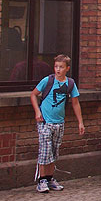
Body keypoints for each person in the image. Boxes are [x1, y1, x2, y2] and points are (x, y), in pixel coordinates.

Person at [29, 54, 85, 193]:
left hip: (59, 122)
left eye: (61, 67)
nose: (58, 69)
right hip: (45, 122)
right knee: (45, 151)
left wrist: (80, 122)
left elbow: (75, 103)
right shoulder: (47, 80)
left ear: (67, 68)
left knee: (54, 151)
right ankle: (41, 180)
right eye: (56, 67)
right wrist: (37, 111)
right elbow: (33, 94)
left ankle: (49, 178)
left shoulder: (70, 84)